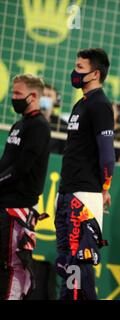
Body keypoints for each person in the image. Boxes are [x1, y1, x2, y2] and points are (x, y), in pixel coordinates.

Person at [55, 48, 115, 300]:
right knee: (67, 262)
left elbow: (107, 154)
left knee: (80, 265)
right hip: (67, 191)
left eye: (80, 67)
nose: (74, 71)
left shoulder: (100, 105)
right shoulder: (81, 103)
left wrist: (105, 188)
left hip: (85, 195)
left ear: (95, 73)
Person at [0, 74, 50, 299]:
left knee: (15, 265)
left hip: (18, 208)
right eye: (13, 93)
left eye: (18, 94)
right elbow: (6, 163)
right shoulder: (18, 125)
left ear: (33, 96)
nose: (13, 97)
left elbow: (21, 168)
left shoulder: (39, 127)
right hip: (4, 203)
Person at [40, 84, 67, 155]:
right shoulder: (28, 120)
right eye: (42, 95)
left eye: (49, 96)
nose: (45, 98)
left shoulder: (62, 125)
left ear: (56, 100)